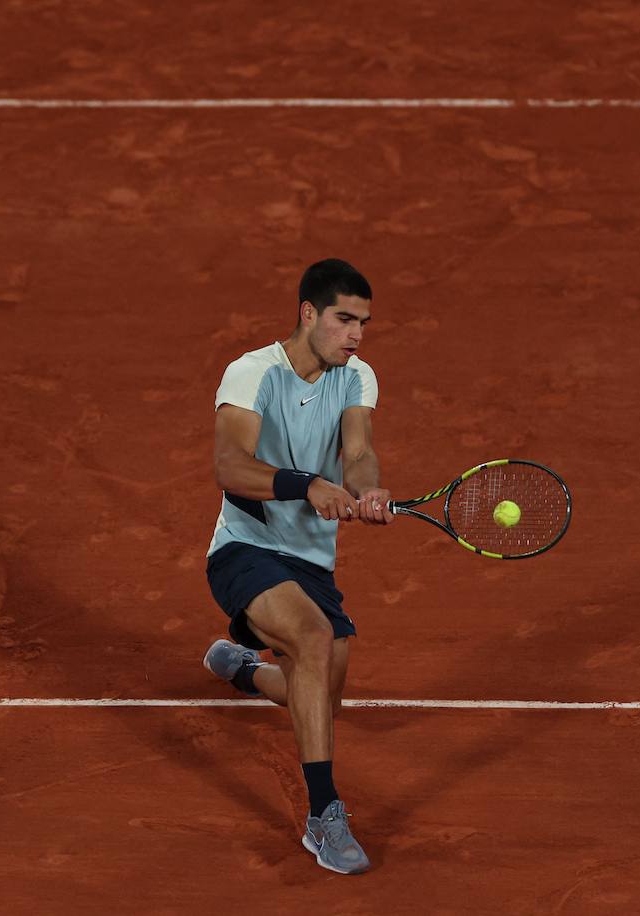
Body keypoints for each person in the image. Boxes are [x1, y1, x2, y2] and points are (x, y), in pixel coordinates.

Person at [201, 258, 392, 875]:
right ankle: (323, 816)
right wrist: (306, 485)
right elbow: (231, 467)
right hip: (244, 549)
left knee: (318, 697)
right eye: (343, 320)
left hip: (311, 565)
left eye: (362, 322)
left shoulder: (356, 377)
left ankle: (244, 672)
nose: (355, 334)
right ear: (308, 313)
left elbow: (358, 453)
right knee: (311, 640)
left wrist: (369, 491)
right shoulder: (252, 372)